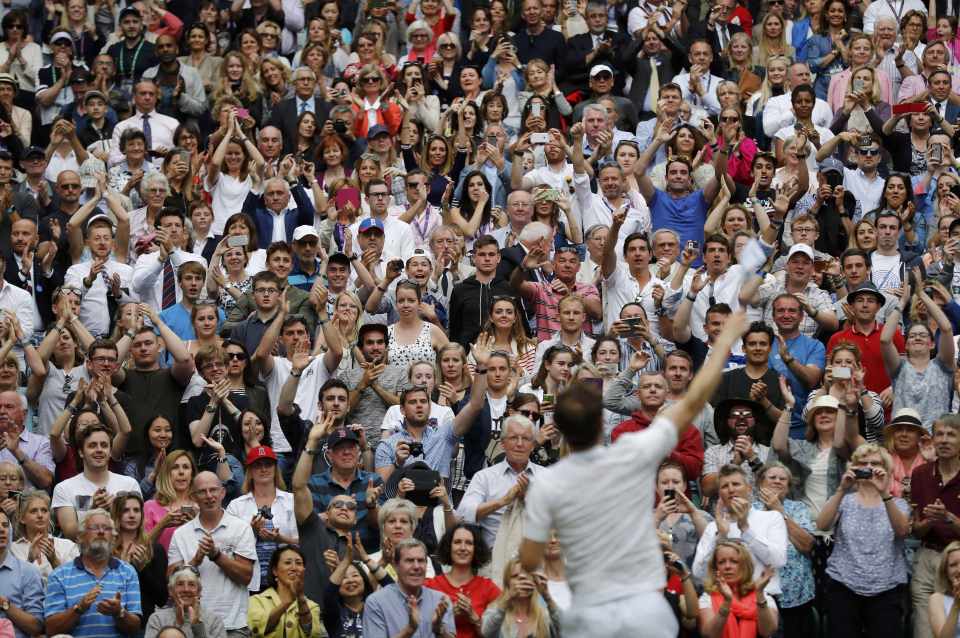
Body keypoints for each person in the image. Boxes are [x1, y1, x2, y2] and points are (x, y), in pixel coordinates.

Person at [518, 311, 749, 637]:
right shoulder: (632, 452)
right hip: (645, 612)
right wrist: (725, 341)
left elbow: (529, 559)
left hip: (589, 614)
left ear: (562, 432)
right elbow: (695, 399)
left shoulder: (546, 483)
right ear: (601, 422)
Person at [817, 443, 911, 638]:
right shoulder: (844, 499)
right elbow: (822, 524)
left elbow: (902, 531)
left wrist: (885, 493)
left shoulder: (898, 503)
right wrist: (842, 489)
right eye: (863, 463)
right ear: (853, 467)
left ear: (886, 469)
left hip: (886, 587)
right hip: (844, 584)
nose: (868, 467)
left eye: (875, 463)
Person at [167, 472, 257, 637]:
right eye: (202, 491)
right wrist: (194, 561)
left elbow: (246, 576)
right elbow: (170, 581)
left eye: (213, 490)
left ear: (222, 493)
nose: (209, 496)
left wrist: (217, 556)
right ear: (193, 497)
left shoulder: (241, 528)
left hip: (233, 625)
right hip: (190, 624)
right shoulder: (181, 534)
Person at [43, 508, 143, 638]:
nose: (101, 532)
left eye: (106, 528)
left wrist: (119, 613)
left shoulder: (127, 572)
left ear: (113, 538)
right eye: (94, 528)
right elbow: (51, 629)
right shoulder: (60, 575)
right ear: (80, 536)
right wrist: (79, 608)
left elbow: (135, 629)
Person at [911, 415, 960, 638]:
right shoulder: (920, 474)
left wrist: (949, 517)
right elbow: (916, 529)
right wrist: (929, 521)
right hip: (928, 558)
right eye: (939, 434)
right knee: (924, 631)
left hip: (958, 560)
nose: (944, 440)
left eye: (951, 434)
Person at [225, 446, 298, 592]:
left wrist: (281, 539)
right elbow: (226, 547)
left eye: (268, 464)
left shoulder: (291, 501)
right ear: (250, 471)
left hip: (288, 580)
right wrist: (251, 532)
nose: (263, 469)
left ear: (275, 469)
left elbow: (307, 541)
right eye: (257, 465)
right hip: (249, 583)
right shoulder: (236, 506)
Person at [51, 424, 141, 540]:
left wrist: (115, 510)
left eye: (104, 445)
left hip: (122, 553)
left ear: (110, 451)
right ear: (81, 452)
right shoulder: (64, 488)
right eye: (92, 446)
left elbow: (139, 528)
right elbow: (70, 533)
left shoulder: (130, 484)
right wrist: (92, 511)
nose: (99, 450)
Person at [362, 537, 456, 637]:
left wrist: (439, 629)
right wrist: (409, 629)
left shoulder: (440, 600)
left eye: (420, 561)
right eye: (409, 561)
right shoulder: (376, 603)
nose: (416, 566)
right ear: (396, 565)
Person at [426, 523, 501, 638]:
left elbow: (498, 634)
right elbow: (419, 629)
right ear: (448, 547)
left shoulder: (489, 589)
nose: (462, 548)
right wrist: (447, 617)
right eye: (457, 542)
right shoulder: (430, 586)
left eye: (469, 543)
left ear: (476, 549)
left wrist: (473, 616)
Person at [697, 540, 778, 637]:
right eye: (721, 562)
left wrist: (759, 594)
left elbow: (768, 632)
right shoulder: (707, 599)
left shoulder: (763, 596)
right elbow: (710, 634)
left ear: (745, 566)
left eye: (734, 561)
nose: (727, 566)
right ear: (716, 569)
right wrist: (727, 602)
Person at [247, 545, 323, 638]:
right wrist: (287, 602)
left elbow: (312, 634)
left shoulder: (312, 606)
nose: (294, 568)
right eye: (287, 563)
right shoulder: (256, 601)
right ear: (275, 571)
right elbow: (257, 630)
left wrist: (300, 599)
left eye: (299, 563)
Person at [9, 491, 79, 584]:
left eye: (44, 510)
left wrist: (54, 561)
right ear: (22, 518)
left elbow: (76, 584)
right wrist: (29, 561)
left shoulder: (68, 546)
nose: (40, 515)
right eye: (33, 511)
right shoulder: (13, 549)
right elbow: (12, 586)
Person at [144, 565, 228, 638]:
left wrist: (197, 626)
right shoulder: (157, 619)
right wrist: (177, 624)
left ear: (199, 591)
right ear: (170, 591)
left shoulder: (214, 621)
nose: (186, 589)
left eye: (191, 584)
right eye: (180, 584)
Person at [0, 509, 43, 638]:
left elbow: (36, 627)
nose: (2, 529)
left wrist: (4, 604)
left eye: (5, 525)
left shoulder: (28, 571)